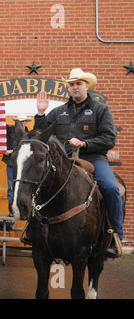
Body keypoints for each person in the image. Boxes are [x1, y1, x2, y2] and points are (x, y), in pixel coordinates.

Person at [34, 68, 123, 256]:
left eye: (78, 84)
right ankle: (32, 231)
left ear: (87, 86)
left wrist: (85, 143)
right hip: (65, 160)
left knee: (111, 188)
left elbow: (110, 138)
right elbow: (41, 135)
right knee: (37, 184)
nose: (75, 87)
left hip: (93, 159)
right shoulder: (58, 112)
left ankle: (115, 235)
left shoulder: (100, 109)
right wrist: (41, 114)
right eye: (72, 84)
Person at [3, 114, 32, 210]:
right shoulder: (11, 130)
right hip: (12, 163)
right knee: (11, 187)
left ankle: (24, 208)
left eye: (23, 121)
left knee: (24, 186)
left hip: (24, 165)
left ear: (26, 122)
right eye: (19, 121)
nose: (21, 123)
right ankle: (12, 209)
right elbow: (1, 125)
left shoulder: (29, 135)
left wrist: (12, 151)